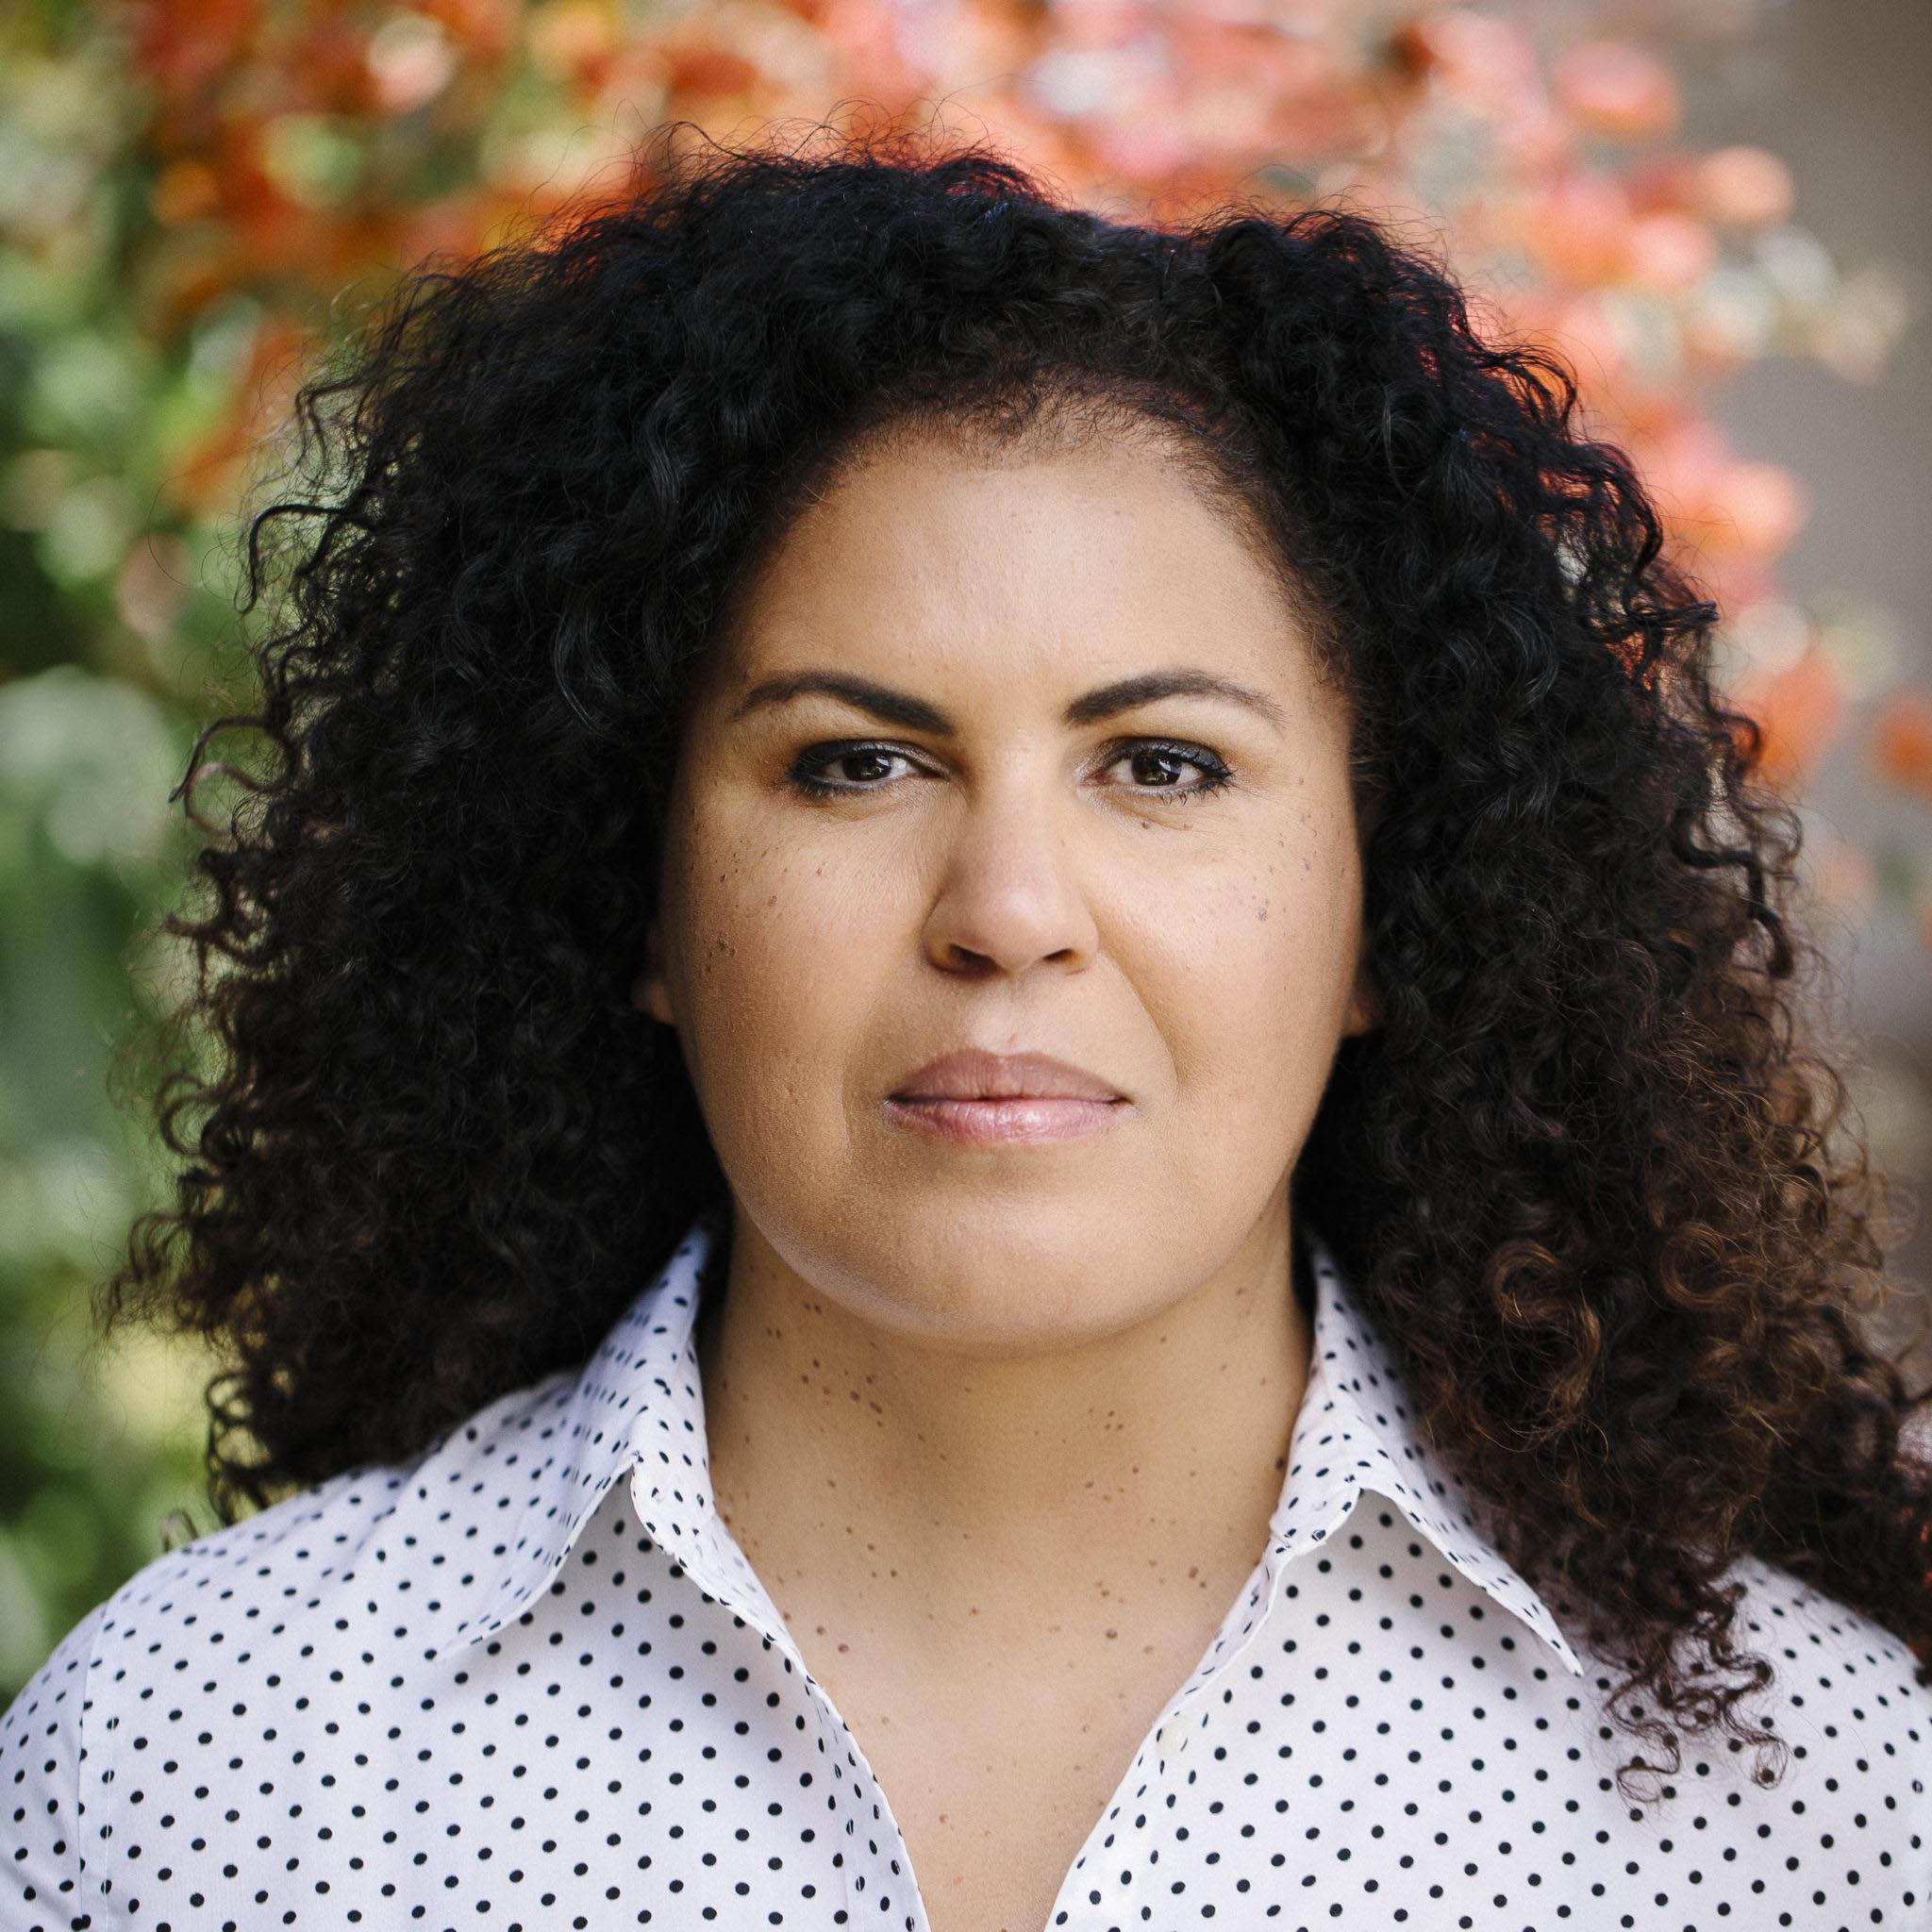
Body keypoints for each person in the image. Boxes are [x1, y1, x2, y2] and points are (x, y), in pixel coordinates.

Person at [4, 122, 1929, 1932]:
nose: (1006, 912)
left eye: (1163, 764)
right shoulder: (189, 1772)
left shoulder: (1814, 1820)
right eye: (854, 763)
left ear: (1382, 910)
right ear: (638, 893)